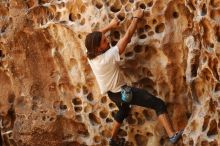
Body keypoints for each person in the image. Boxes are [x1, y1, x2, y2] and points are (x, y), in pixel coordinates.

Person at [85, 9, 183, 146]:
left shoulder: (90, 54)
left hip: (112, 94)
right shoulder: (107, 57)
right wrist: (136, 18)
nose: (107, 40)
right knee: (158, 104)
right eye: (104, 41)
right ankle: (172, 135)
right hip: (124, 93)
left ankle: (113, 140)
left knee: (124, 110)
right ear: (98, 49)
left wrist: (111, 26)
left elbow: (94, 37)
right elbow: (127, 37)